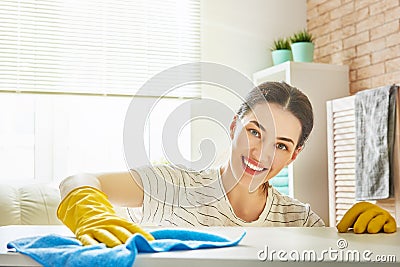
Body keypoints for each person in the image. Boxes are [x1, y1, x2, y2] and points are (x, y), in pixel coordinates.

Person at [57, 81, 397, 248]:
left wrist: (370, 242)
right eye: (254, 131)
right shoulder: (172, 185)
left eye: (281, 145)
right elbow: (78, 178)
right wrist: (87, 207)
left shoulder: (301, 220)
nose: (262, 154)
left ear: (294, 155)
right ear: (233, 127)